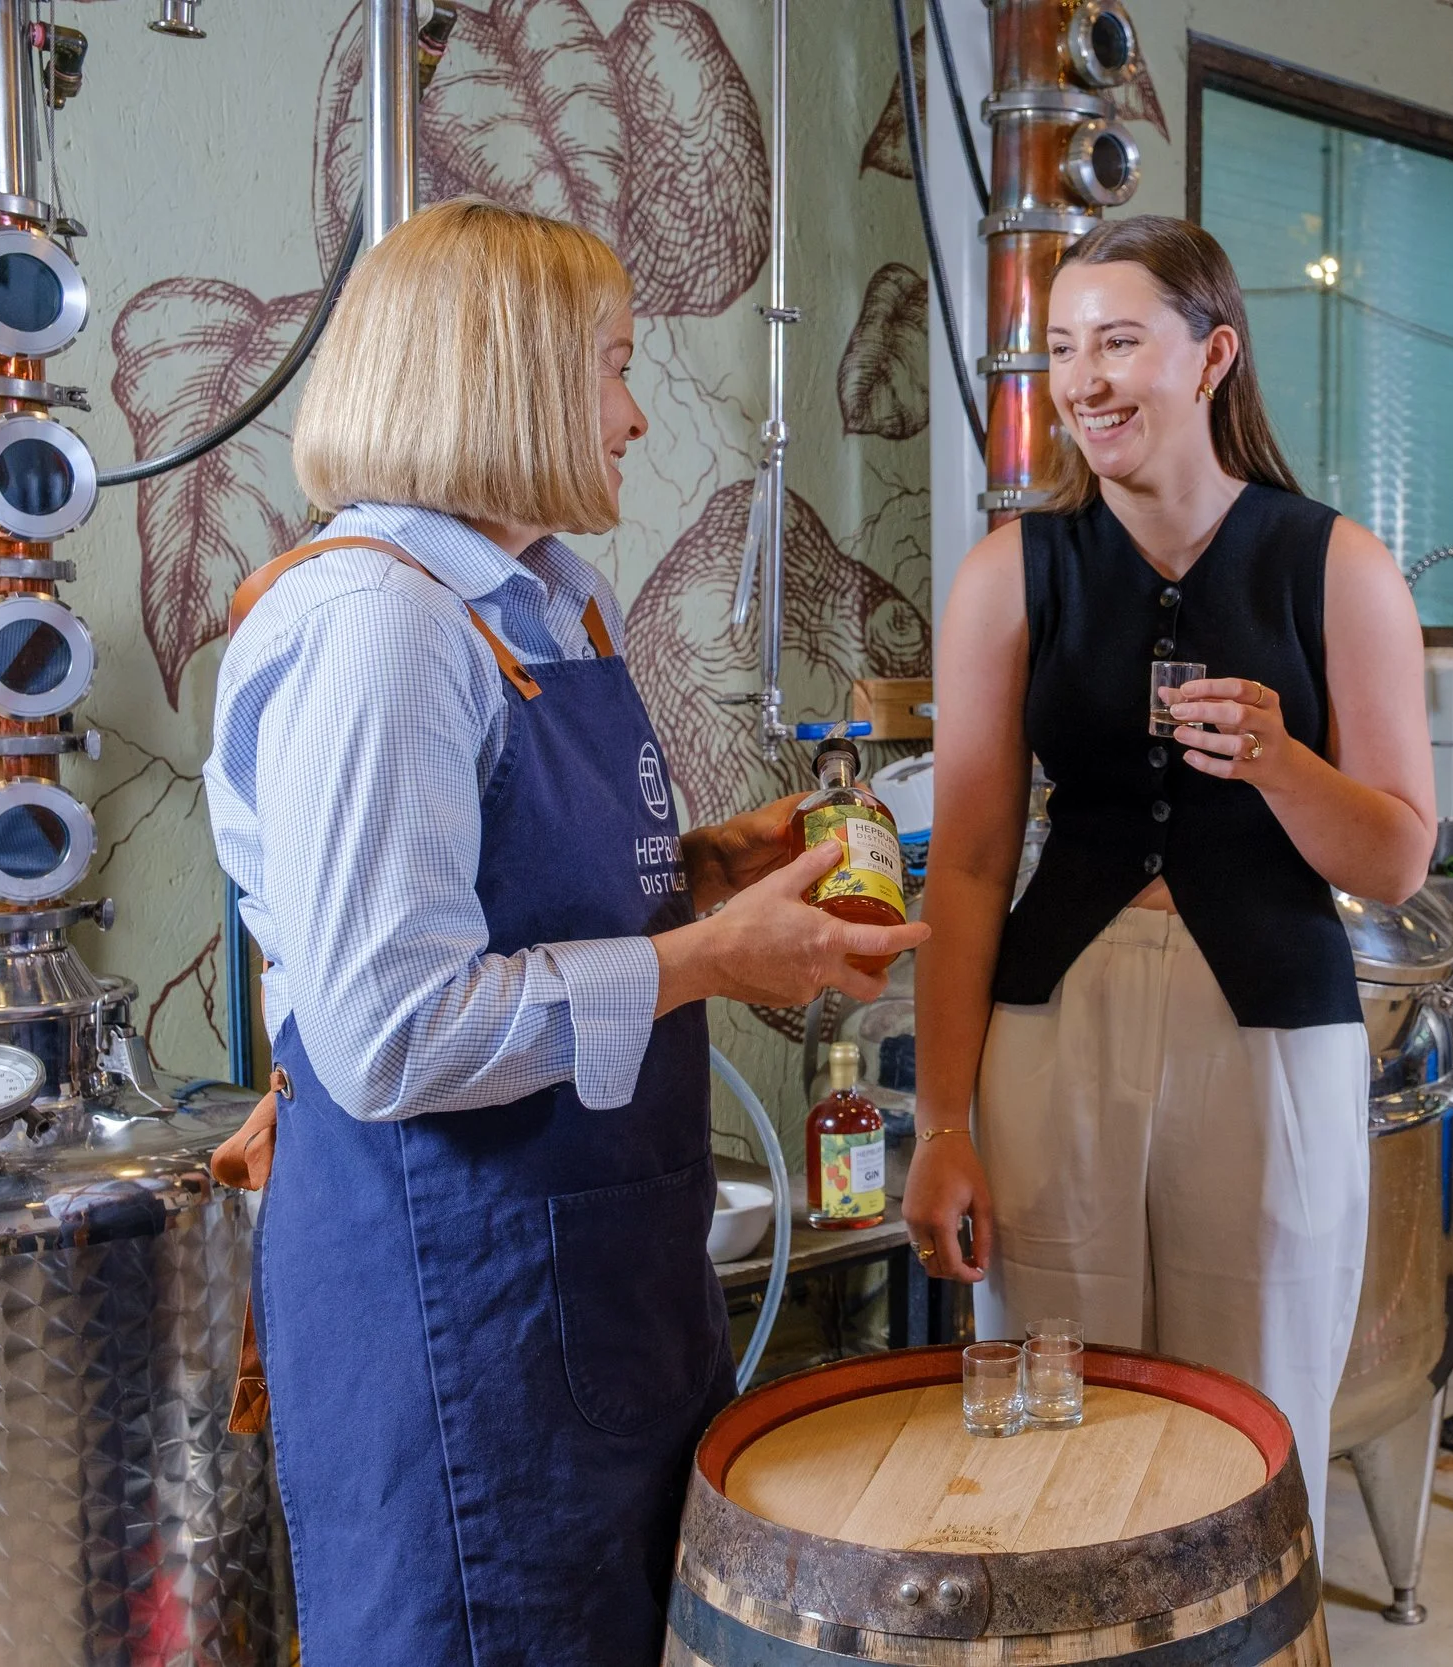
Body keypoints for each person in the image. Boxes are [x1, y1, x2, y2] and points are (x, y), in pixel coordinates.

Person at [204, 199, 928, 1667]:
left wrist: (712, 873)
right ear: (507, 378)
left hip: (597, 1286)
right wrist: (708, 960)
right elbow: (393, 1031)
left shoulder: (557, 606)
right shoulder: (380, 626)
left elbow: (541, 898)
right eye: (610, 366)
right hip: (459, 1313)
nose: (636, 416)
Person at [905, 215, 1436, 1537]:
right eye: (1061, 349)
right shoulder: (1009, 573)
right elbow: (968, 869)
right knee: (1056, 1380)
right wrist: (941, 1121)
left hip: (1270, 1032)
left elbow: (1397, 852)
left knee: (1255, 1394)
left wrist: (1278, 762)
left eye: (1120, 342)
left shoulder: (1338, 565)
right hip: (1050, 1028)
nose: (1083, 379)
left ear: (1212, 360)